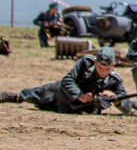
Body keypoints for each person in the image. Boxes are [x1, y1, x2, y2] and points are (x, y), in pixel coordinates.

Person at [0, 46, 130, 113]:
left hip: (78, 109)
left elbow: (127, 106)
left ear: (113, 65)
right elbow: (67, 80)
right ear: (95, 62)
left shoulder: (115, 80)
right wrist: (80, 95)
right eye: (100, 67)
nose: (103, 72)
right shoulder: (85, 63)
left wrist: (115, 99)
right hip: (61, 94)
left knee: (45, 107)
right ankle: (12, 97)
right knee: (34, 95)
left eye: (107, 69)